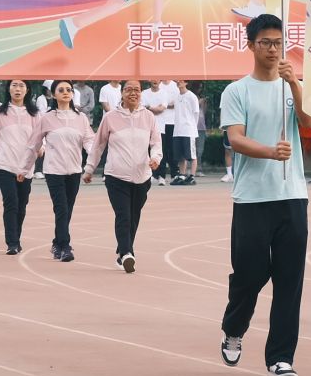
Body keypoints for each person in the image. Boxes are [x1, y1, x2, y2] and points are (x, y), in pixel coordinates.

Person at [218, 14, 311, 376]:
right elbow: (236, 138)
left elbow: (307, 122)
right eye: (265, 43)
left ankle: (281, 356)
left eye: (278, 43)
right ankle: (234, 327)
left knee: (290, 280)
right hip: (252, 198)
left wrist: (295, 86)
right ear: (251, 45)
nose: (273, 49)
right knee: (249, 274)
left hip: (292, 195)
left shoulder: (292, 85)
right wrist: (271, 152)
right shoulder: (237, 91)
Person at [85, 79, 160, 272]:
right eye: (129, 90)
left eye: (137, 90)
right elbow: (98, 145)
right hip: (116, 176)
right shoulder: (111, 117)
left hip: (142, 177)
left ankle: (123, 251)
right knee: (123, 215)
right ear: (122, 93)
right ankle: (127, 253)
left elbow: (155, 143)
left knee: (134, 216)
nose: (133, 93)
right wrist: (89, 169)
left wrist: (155, 158)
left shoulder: (149, 117)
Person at [35, 80, 93, 261]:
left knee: (68, 209)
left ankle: (57, 243)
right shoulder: (47, 118)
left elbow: (89, 140)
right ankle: (65, 246)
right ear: (53, 94)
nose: (66, 92)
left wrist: (92, 159)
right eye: (61, 90)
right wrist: (27, 165)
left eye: (69, 89)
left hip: (74, 170)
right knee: (61, 208)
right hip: (54, 170)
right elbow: (35, 142)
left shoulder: (81, 118)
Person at [0, 79, 38, 255]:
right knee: (11, 202)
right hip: (4, 164)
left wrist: (42, 147)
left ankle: (17, 237)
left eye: (22, 86)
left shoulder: (35, 114)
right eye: (14, 85)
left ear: (27, 90)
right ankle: (12, 243)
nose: (17, 89)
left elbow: (40, 136)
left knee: (22, 205)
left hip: (26, 166)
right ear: (8, 89)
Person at [172, 79, 202, 185]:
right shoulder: (176, 97)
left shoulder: (191, 96)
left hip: (189, 130)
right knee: (180, 156)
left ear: (186, 83)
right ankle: (182, 175)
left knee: (192, 155)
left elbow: (196, 113)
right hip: (177, 130)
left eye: (181, 81)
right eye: (178, 81)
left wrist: (192, 126)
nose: (178, 82)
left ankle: (192, 176)